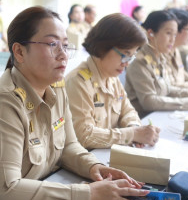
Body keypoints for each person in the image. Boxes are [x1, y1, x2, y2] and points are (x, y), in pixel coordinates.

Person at [0, 6, 149, 200]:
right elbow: (6, 189)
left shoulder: (56, 88)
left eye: (65, 45)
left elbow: (69, 145)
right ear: (19, 52)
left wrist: (94, 167)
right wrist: (89, 194)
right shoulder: (2, 104)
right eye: (52, 44)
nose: (63, 54)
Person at [65, 13, 160, 149]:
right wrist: (131, 134)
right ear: (103, 46)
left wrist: (134, 127)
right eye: (125, 55)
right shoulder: (78, 82)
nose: (126, 64)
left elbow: (128, 111)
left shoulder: (112, 78)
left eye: (131, 57)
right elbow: (84, 135)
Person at [125, 10, 188, 117]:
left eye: (175, 35)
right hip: (143, 120)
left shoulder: (160, 56)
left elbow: (168, 89)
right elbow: (148, 101)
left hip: (159, 114)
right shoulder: (140, 61)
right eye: (168, 33)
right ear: (151, 33)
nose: (172, 39)